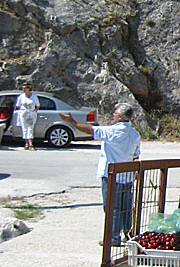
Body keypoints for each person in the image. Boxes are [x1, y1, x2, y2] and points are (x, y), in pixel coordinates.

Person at [60, 103, 141, 247]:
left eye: (115, 113)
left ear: (120, 117)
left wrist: (72, 122)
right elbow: (136, 156)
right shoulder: (135, 134)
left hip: (112, 176)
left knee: (112, 207)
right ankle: (128, 234)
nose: (113, 115)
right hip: (127, 176)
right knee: (126, 207)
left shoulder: (112, 131)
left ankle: (113, 237)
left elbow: (90, 130)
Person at [15, 82, 40, 150]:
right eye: (23, 88)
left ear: (28, 88)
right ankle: (26, 143)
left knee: (30, 128)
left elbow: (37, 106)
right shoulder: (21, 96)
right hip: (24, 114)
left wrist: (33, 111)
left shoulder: (34, 96)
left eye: (25, 88)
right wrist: (23, 110)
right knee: (24, 128)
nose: (24, 90)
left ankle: (31, 144)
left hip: (31, 114)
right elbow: (18, 106)